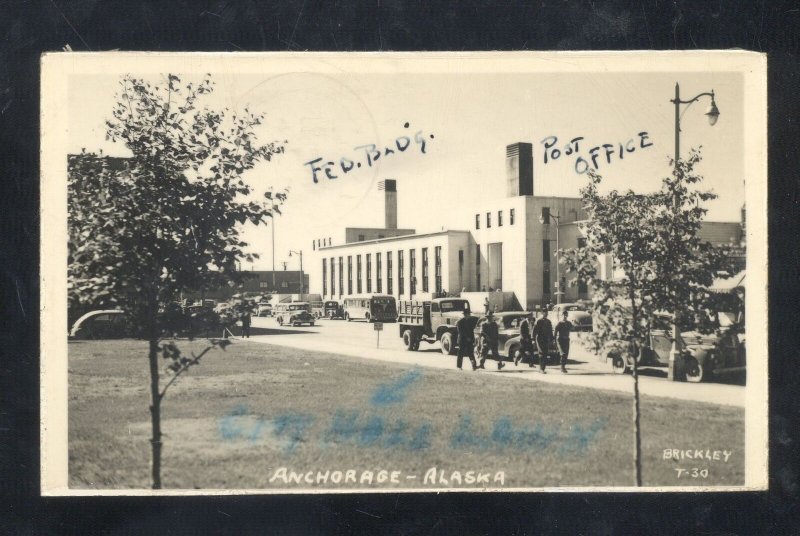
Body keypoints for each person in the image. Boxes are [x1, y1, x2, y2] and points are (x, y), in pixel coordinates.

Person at [532, 308, 554, 373]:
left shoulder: (548, 321)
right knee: (541, 353)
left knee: (545, 353)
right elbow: (534, 330)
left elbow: (550, 331)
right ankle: (541, 368)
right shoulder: (538, 321)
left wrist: (551, 339)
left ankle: (542, 368)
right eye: (545, 312)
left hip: (546, 339)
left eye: (547, 312)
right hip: (539, 338)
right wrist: (533, 339)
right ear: (542, 313)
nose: (546, 314)